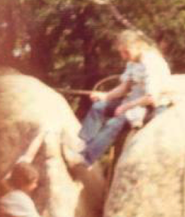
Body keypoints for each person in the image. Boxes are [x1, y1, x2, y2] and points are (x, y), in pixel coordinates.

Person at [65, 30, 172, 168]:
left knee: (114, 123)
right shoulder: (133, 61)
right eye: (121, 52)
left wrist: (125, 107)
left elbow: (151, 98)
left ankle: (87, 159)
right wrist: (105, 96)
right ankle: (81, 146)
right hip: (134, 101)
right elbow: (125, 87)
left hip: (150, 105)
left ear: (138, 46)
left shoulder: (152, 63)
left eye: (126, 52)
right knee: (98, 107)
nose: (123, 56)